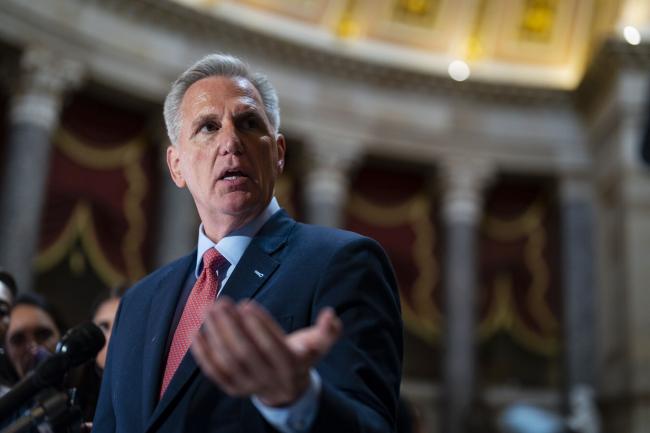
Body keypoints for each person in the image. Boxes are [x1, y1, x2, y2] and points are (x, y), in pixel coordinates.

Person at [93, 53, 403, 433]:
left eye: (248, 123)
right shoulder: (138, 304)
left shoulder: (342, 263)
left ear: (278, 154)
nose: (231, 142)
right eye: (208, 127)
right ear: (176, 166)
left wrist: (297, 397)